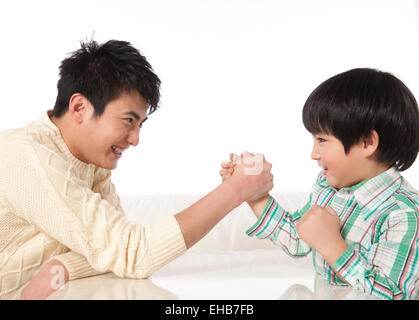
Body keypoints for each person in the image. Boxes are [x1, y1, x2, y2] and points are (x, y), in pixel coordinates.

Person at [0, 39, 274, 300]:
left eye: (140, 124)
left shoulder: (91, 165)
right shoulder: (25, 155)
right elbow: (133, 253)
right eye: (128, 120)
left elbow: (112, 253)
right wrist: (236, 190)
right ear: (80, 107)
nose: (135, 139)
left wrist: (65, 265)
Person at [220, 68, 419, 300]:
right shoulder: (329, 188)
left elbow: (395, 295)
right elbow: (297, 239)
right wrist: (254, 194)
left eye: (322, 140)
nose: (314, 154)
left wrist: (333, 246)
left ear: (367, 142)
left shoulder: (403, 214)